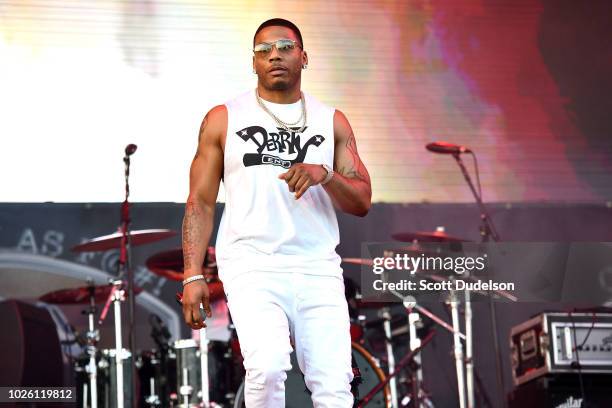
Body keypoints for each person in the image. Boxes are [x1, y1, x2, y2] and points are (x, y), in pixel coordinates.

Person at [181, 18, 372, 407]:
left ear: (304, 57)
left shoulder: (331, 120)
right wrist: (192, 273)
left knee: (335, 385)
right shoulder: (224, 118)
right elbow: (199, 200)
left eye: (285, 47)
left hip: (317, 264)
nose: (275, 56)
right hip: (252, 263)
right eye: (264, 50)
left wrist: (326, 174)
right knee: (267, 367)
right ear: (253, 63)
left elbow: (362, 200)